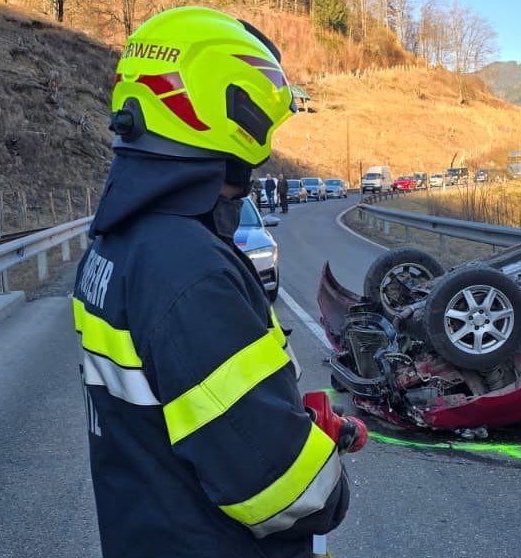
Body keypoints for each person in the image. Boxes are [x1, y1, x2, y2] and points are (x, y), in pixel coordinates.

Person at [72, 7, 355, 558]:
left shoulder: (117, 244)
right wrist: (331, 480)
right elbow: (280, 490)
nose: (267, 143)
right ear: (231, 113)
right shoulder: (189, 270)